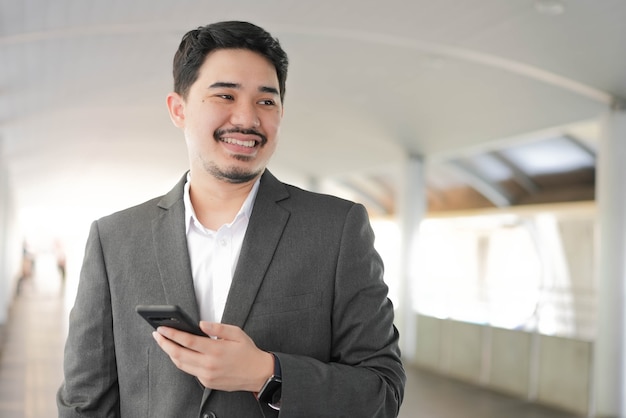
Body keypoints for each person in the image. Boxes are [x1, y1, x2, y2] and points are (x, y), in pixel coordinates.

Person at [57, 21, 405, 418]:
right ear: (179, 109)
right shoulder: (115, 239)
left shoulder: (336, 228)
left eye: (266, 101)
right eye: (225, 95)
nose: (247, 119)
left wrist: (266, 373)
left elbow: (383, 392)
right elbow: (85, 403)